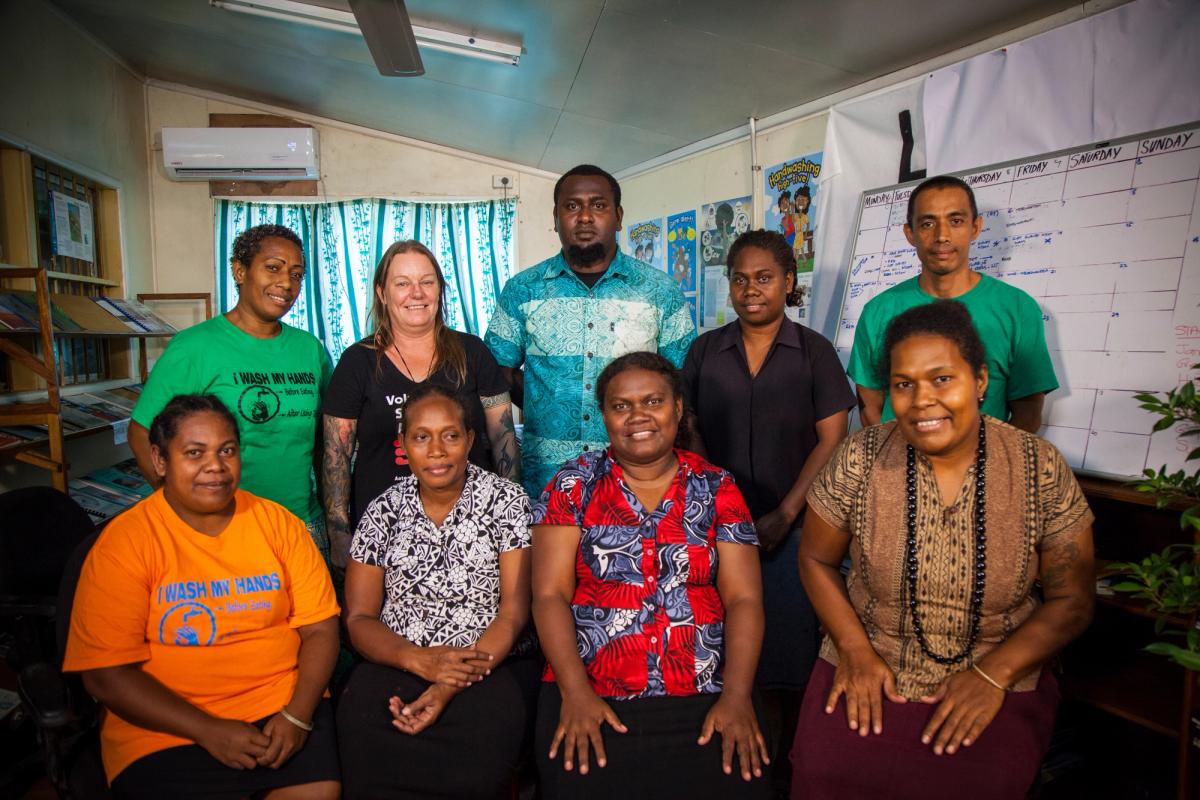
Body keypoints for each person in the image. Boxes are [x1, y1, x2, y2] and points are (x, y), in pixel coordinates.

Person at [792, 301, 1095, 800]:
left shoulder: (1036, 466)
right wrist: (855, 651)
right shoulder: (862, 456)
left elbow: (1074, 600)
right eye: (903, 384)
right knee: (826, 773)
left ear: (979, 381)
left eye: (941, 379)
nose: (921, 401)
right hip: (869, 653)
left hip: (1000, 664)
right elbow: (816, 559)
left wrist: (991, 676)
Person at [63, 395, 341, 799]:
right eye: (195, 453)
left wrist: (297, 716)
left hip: (281, 712)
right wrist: (207, 730)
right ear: (160, 460)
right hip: (167, 726)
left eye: (227, 450)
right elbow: (106, 675)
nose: (216, 466)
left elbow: (320, 629)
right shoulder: (124, 544)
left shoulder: (279, 524)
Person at [531, 352, 771, 799]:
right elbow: (548, 596)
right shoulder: (572, 484)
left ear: (678, 409)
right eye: (621, 405)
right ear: (603, 415)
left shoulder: (716, 486)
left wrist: (737, 697)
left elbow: (744, 600)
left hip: (706, 690)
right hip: (592, 690)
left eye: (653, 401)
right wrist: (576, 693)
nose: (637, 415)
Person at [682, 230, 854, 797]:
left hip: (796, 528)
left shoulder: (814, 351)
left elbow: (833, 437)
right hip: (715, 528)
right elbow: (690, 429)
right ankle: (730, 758)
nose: (750, 289)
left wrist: (785, 512)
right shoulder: (706, 351)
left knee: (788, 654)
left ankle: (788, 771)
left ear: (788, 283)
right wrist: (719, 503)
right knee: (721, 646)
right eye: (739, 279)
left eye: (763, 278)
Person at [336, 385, 537, 799]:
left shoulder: (507, 501)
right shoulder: (383, 510)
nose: (437, 449)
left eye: (450, 435)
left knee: (478, 758)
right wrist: (418, 660)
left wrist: (448, 682)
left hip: (486, 662)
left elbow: (513, 613)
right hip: (395, 658)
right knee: (365, 731)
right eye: (421, 436)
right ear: (403, 445)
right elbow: (358, 619)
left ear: (470, 439)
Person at [485, 164, 696, 497]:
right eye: (572, 206)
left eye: (598, 205)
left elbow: (682, 385)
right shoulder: (522, 289)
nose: (584, 217)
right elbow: (496, 372)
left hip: (636, 482)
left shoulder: (661, 292)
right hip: (546, 480)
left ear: (619, 215)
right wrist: (542, 396)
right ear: (555, 217)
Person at [129, 224, 333, 557]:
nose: (286, 283)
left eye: (297, 274)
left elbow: (326, 440)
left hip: (300, 523)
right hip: (221, 527)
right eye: (273, 268)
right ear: (240, 270)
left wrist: (331, 513)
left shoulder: (309, 350)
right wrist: (182, 508)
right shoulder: (194, 347)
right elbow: (141, 432)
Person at [322, 239, 519, 569]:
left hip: (472, 527)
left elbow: (504, 439)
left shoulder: (474, 353)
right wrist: (340, 534)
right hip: (384, 533)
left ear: (439, 289)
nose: (417, 293)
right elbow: (335, 455)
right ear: (382, 293)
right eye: (403, 283)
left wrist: (511, 519)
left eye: (427, 282)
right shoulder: (357, 362)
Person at [848, 175, 1057, 434]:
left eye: (955, 221)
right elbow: (871, 408)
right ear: (910, 233)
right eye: (927, 223)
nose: (942, 236)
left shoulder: (1017, 308)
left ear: (975, 227)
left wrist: (986, 469)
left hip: (984, 470)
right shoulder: (878, 311)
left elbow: (1028, 415)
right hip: (898, 469)